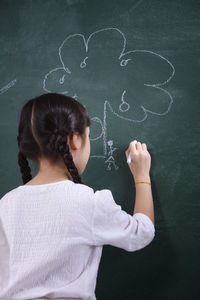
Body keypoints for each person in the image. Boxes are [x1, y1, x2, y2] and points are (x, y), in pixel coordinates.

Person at [0, 93, 155, 300]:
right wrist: (142, 174)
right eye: (88, 136)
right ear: (74, 140)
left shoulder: (6, 204)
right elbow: (141, 233)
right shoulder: (88, 202)